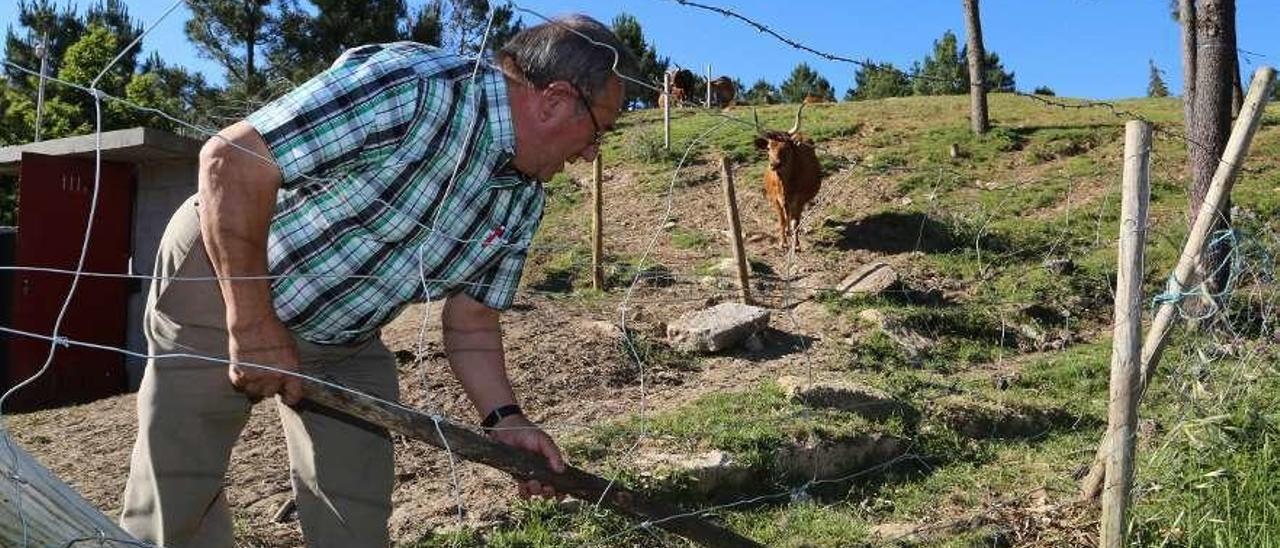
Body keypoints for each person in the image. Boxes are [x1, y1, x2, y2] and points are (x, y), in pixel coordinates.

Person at [119, 15, 635, 548]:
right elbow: (231, 160)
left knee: (356, 511)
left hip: (345, 337)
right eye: (600, 130)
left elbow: (473, 324)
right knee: (177, 489)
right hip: (224, 275)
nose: (592, 153)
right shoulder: (412, 87)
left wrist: (505, 419)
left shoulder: (522, 197)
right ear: (554, 100)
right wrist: (251, 322)